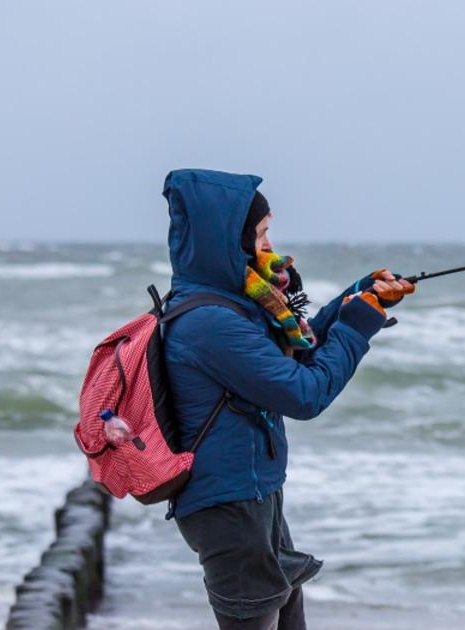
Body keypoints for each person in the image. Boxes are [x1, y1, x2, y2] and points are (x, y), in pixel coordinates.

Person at [159, 169, 413, 629]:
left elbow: (295, 353)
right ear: (227, 242)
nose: (271, 247)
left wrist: (354, 300)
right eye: (261, 234)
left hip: (255, 493)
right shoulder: (211, 323)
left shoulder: (233, 303)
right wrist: (356, 328)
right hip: (230, 508)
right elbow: (304, 392)